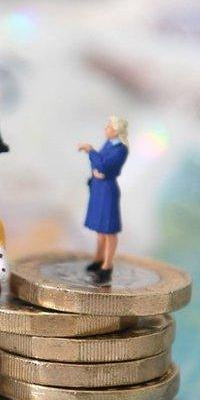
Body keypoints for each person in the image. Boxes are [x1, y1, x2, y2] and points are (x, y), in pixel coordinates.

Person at [77, 116, 129, 286]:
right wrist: (96, 169)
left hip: (107, 190)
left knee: (109, 229)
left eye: (108, 126)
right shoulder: (108, 144)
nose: (105, 129)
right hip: (99, 188)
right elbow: (98, 163)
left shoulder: (121, 149)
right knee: (100, 228)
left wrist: (91, 152)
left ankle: (107, 266)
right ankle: (99, 258)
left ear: (116, 131)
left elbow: (104, 164)